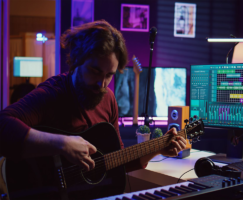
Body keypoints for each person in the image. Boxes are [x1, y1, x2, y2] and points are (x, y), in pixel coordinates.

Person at [0, 20, 186, 178]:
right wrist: (62, 144)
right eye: (95, 71)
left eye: (109, 75)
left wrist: (157, 149)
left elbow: (116, 161)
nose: (102, 84)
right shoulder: (52, 94)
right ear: (77, 60)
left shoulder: (109, 99)